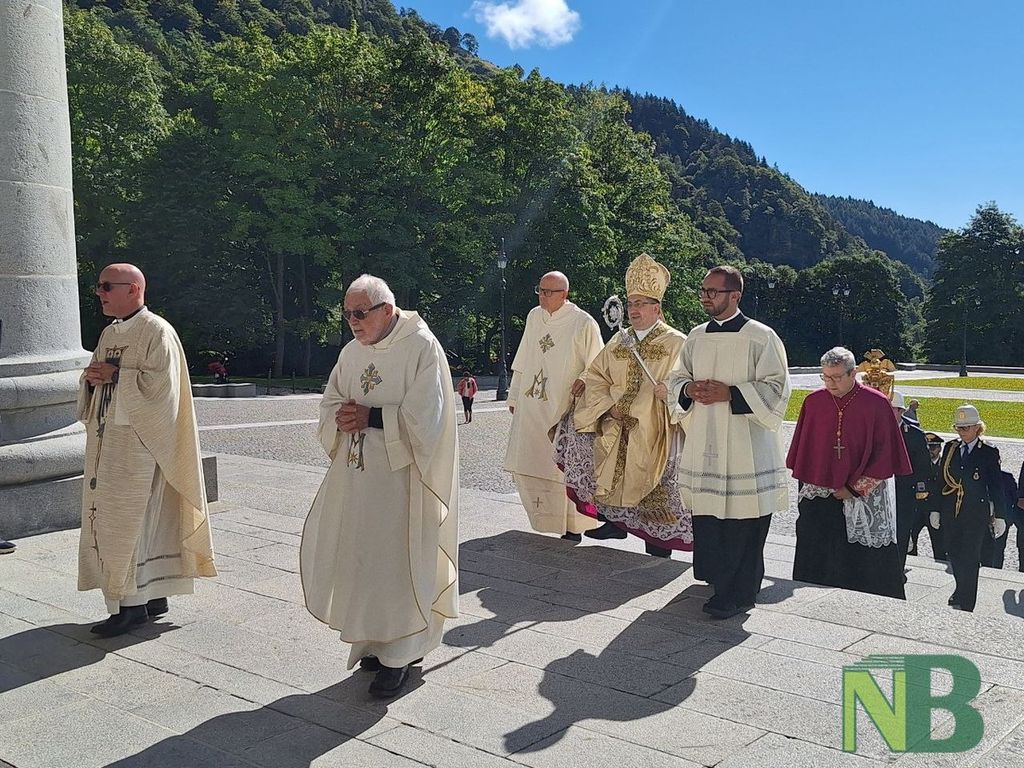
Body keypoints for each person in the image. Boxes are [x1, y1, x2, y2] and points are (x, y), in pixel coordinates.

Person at [300, 274, 458, 698]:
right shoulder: (352, 352)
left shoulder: (420, 346)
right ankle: (372, 642)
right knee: (363, 560)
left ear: (387, 310)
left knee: (395, 564)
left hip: (402, 482)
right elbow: (331, 400)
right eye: (347, 314)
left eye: (360, 313)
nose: (353, 322)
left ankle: (400, 655)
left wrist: (372, 417)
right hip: (358, 479)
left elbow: (428, 420)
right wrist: (340, 417)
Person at [77, 263, 216, 638]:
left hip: (142, 447)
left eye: (107, 286)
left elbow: (162, 391)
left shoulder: (157, 331)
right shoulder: (109, 333)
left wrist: (115, 376)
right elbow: (98, 378)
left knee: (134, 524)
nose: (100, 293)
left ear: (134, 289)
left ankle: (132, 607)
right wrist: (91, 380)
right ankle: (153, 596)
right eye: (99, 286)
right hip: (110, 443)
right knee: (125, 523)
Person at [667, 266, 790, 619]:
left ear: (735, 295)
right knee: (709, 515)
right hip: (706, 439)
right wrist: (688, 389)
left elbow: (777, 388)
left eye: (713, 292)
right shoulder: (695, 336)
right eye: (703, 290)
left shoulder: (761, 337)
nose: (705, 297)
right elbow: (677, 378)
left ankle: (739, 592)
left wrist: (732, 393)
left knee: (742, 517)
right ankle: (716, 578)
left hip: (745, 446)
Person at [556, 254, 692, 557]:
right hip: (617, 425)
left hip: (656, 428)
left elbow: (687, 382)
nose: (634, 310)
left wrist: (671, 391)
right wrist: (608, 406)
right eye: (631, 304)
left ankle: (658, 545)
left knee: (654, 485)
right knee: (612, 476)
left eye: (641, 304)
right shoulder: (618, 341)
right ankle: (615, 522)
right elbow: (596, 376)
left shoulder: (677, 343)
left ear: (657, 307)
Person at [787, 347, 911, 599]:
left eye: (837, 377)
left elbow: (886, 454)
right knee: (818, 554)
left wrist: (855, 488)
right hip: (821, 495)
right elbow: (806, 451)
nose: (830, 383)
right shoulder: (813, 402)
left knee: (863, 564)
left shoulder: (876, 403)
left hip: (863, 496)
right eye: (825, 377)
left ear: (853, 373)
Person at [504, 271, 603, 541]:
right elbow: (523, 359)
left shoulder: (583, 322)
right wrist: (514, 396)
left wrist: (584, 379)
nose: (543, 296)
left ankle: (572, 526)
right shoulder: (534, 316)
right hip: (532, 406)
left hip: (562, 408)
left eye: (549, 292)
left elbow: (597, 363)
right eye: (540, 290)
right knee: (532, 460)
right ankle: (542, 518)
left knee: (562, 466)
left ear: (565, 294)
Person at [932, 404, 1006, 611]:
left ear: (977, 428)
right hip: (951, 511)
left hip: (975, 514)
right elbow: (941, 480)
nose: (961, 432)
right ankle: (960, 589)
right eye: (958, 428)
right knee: (954, 553)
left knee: (971, 558)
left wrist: (1000, 515)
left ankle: (967, 601)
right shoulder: (951, 448)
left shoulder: (988, 452)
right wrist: (935, 509)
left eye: (965, 428)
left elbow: (996, 485)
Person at [886, 391, 932, 577]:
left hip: (904, 492)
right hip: (879, 490)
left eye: (892, 409)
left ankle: (897, 572)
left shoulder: (914, 434)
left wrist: (919, 490)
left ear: (901, 411)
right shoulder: (874, 429)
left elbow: (924, 467)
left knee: (901, 532)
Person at [910, 432, 948, 560]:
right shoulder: (917, 464)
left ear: (939, 448)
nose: (930, 451)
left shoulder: (945, 466)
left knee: (940, 546)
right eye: (927, 447)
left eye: (933, 447)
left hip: (936, 509)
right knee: (910, 542)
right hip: (917, 509)